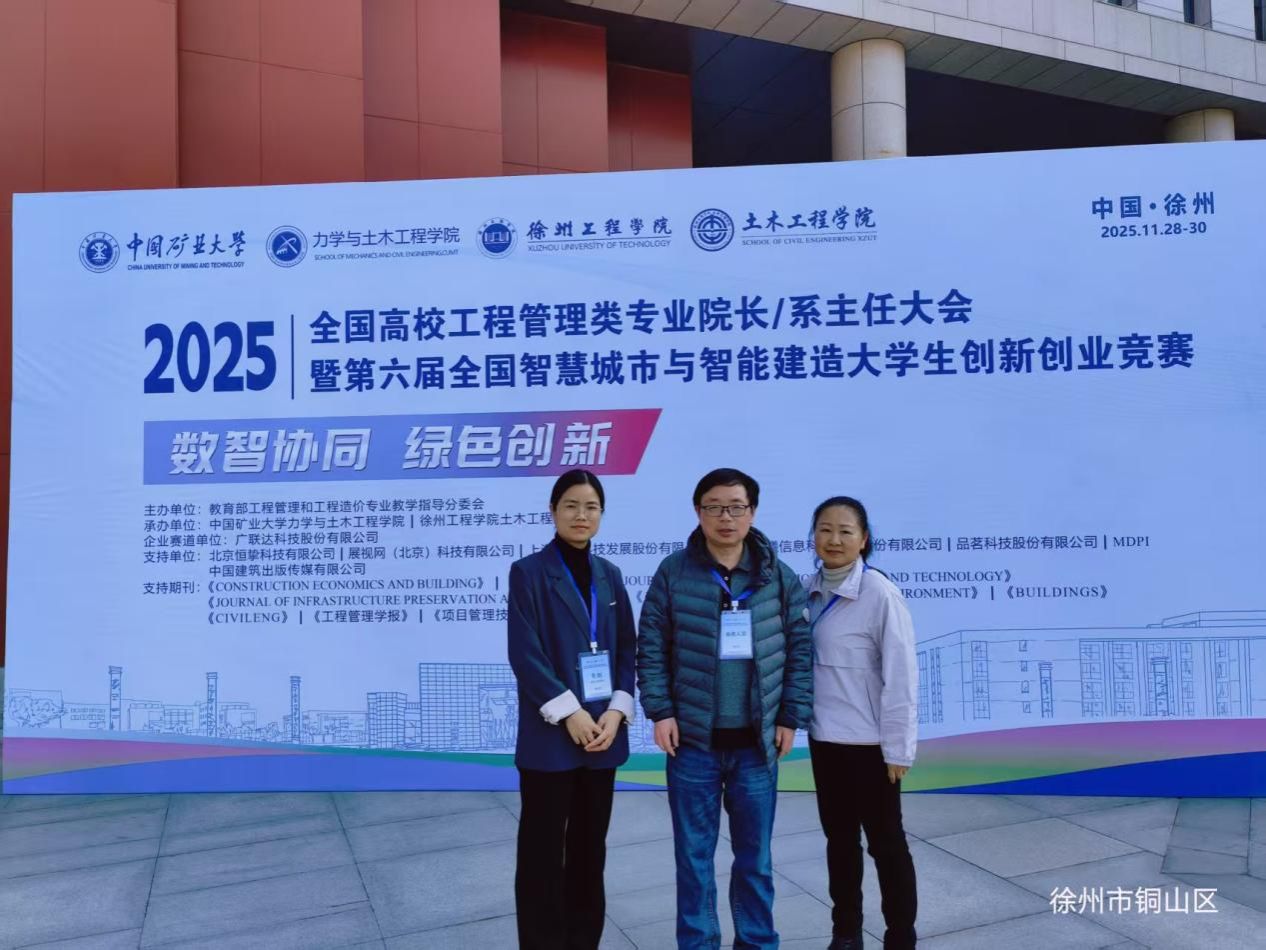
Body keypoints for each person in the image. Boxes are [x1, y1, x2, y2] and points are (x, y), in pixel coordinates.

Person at [638, 467, 813, 950]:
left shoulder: (777, 576)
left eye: (736, 507)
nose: (726, 517)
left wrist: (789, 716)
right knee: (694, 859)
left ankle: (757, 942)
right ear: (698, 512)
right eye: (714, 507)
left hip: (757, 744)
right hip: (693, 741)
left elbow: (800, 648)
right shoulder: (674, 572)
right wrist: (660, 711)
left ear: (752, 512)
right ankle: (699, 943)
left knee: (755, 859)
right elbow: (651, 645)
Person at [507, 469, 637, 950]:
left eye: (591, 507)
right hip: (552, 736)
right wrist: (570, 713)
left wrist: (617, 710)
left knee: (588, 849)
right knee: (542, 852)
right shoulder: (528, 573)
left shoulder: (610, 575)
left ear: (601, 514)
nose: (581, 515)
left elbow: (627, 647)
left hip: (602, 732)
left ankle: (584, 940)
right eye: (571, 505)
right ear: (553, 510)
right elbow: (525, 653)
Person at [805, 496, 918, 950]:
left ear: (864, 539)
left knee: (886, 844)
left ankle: (900, 936)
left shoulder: (879, 594)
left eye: (845, 531)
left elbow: (902, 676)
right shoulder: (806, 591)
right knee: (839, 842)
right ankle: (846, 932)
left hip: (870, 745)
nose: (834, 539)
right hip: (824, 739)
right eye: (825, 529)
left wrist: (898, 748)